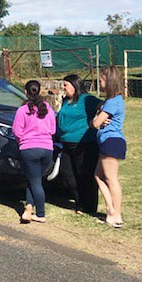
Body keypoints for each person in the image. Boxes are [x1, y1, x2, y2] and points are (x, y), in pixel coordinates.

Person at [55, 74, 101, 215]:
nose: (63, 88)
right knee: (67, 173)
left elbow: (106, 106)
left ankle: (89, 206)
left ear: (75, 86)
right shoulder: (65, 101)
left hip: (84, 143)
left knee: (85, 174)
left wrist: (102, 119)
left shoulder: (87, 99)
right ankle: (79, 201)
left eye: (66, 85)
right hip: (66, 144)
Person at [13, 80, 56, 224]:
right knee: (34, 179)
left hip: (29, 148)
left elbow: (17, 131)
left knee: (35, 182)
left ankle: (41, 213)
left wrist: (22, 141)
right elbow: (53, 129)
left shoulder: (22, 110)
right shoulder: (47, 108)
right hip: (47, 148)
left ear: (25, 92)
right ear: (39, 91)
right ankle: (28, 208)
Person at [92, 66, 126, 229]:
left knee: (111, 178)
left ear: (109, 81)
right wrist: (99, 112)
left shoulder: (113, 102)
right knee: (98, 175)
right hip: (107, 142)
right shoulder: (109, 101)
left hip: (111, 141)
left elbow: (96, 123)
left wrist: (96, 119)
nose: (100, 82)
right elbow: (99, 113)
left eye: (101, 80)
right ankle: (110, 210)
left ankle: (116, 215)